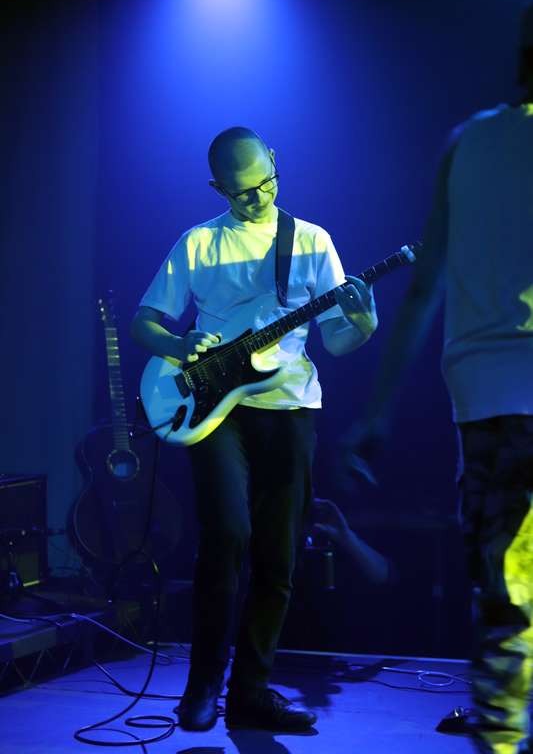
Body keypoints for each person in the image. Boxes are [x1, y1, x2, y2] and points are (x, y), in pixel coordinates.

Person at [130, 126, 378, 732]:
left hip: (291, 407)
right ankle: (201, 688)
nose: (259, 196)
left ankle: (251, 692)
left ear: (275, 161)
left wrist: (364, 322)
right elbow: (144, 322)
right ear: (218, 188)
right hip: (215, 409)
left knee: (278, 556)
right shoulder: (199, 243)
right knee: (227, 536)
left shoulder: (313, 240)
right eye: (242, 192)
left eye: (266, 181)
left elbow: (337, 341)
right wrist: (180, 344)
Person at [343, 7, 533, 754]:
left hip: (485, 398)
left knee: (505, 592)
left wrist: (378, 411)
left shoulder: (468, 141)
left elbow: (424, 287)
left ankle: (500, 735)